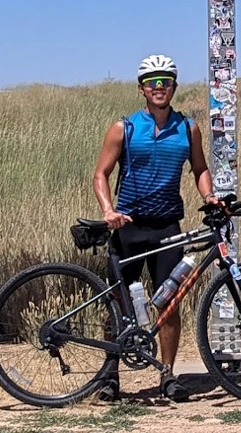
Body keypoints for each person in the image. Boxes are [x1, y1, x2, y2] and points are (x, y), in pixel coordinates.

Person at [92, 54, 221, 402]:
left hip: (167, 226)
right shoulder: (125, 128)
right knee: (117, 303)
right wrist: (108, 210)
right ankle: (109, 376)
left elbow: (199, 168)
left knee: (169, 304)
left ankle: (167, 374)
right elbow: (100, 174)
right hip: (129, 226)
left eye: (165, 81)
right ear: (141, 89)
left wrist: (209, 196)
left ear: (174, 87)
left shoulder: (187, 128)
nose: (159, 87)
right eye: (152, 82)